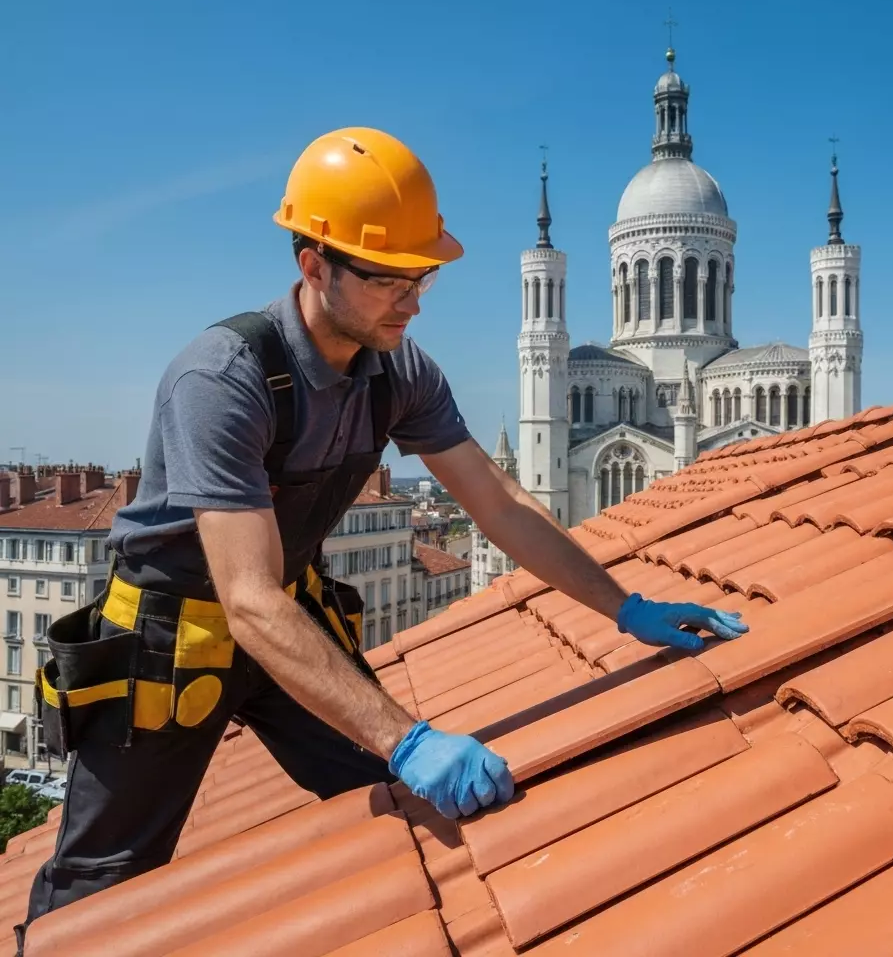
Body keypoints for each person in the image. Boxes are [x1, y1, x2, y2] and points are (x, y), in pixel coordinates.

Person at [20, 127, 748, 937]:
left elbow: (498, 504)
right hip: (172, 641)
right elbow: (248, 600)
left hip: (289, 622)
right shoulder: (221, 380)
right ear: (313, 266)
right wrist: (405, 738)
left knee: (412, 815)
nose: (412, 301)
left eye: (421, 277)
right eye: (387, 280)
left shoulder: (397, 371)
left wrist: (623, 608)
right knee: (101, 884)